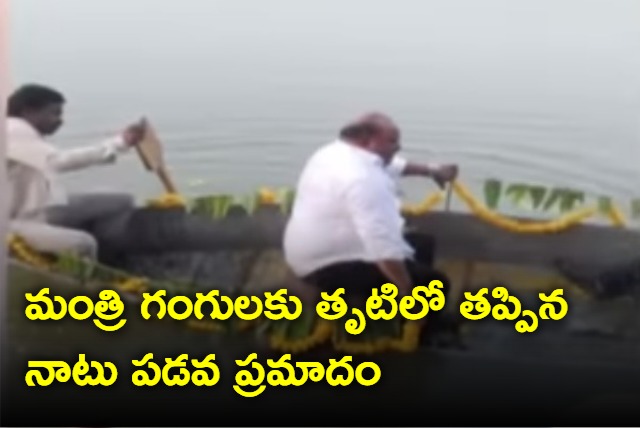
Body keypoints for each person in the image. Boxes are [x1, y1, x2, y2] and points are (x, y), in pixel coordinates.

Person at [283, 112, 460, 342]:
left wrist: (432, 170)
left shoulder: (334, 153)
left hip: (312, 250)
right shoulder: (363, 179)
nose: (399, 146)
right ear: (368, 141)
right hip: (324, 267)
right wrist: (406, 292)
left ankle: (401, 311)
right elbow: (383, 248)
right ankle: (420, 328)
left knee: (424, 244)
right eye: (393, 141)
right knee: (435, 283)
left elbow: (392, 165)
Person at [6, 83, 146, 260]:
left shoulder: (22, 134)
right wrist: (120, 143)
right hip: (12, 222)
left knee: (121, 201)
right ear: (28, 111)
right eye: (54, 113)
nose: (60, 121)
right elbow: (60, 161)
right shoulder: (13, 130)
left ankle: (109, 252)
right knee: (84, 244)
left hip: (37, 209)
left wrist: (122, 143)